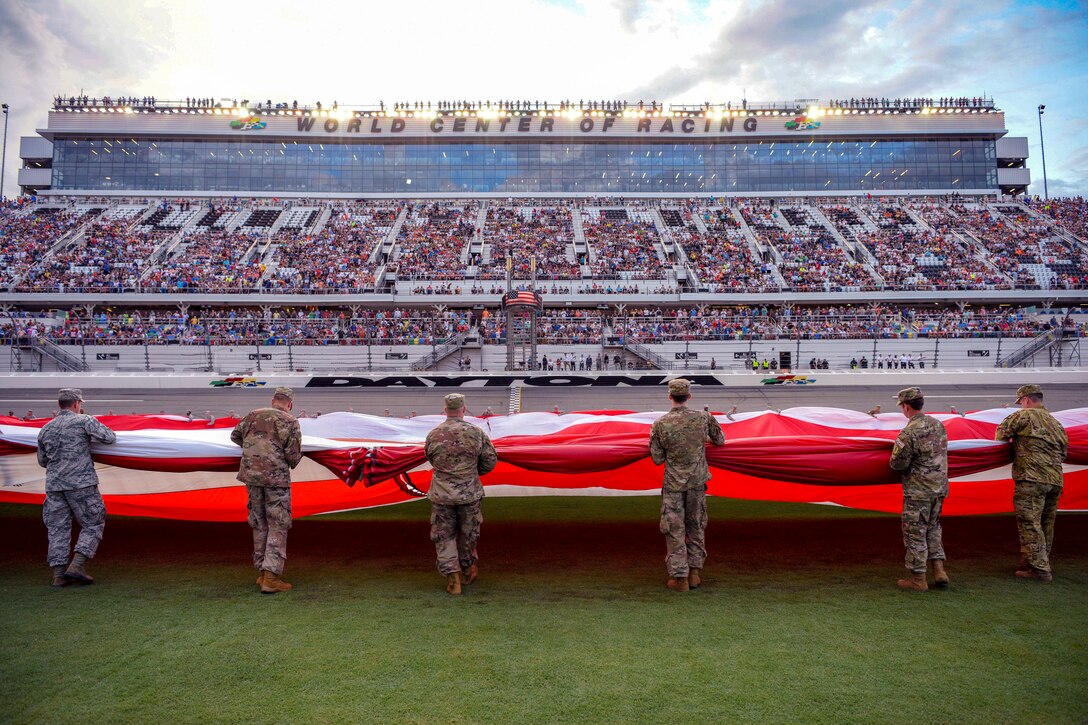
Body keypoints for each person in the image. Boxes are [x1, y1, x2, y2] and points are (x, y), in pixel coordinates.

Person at [649, 378, 726, 592]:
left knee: (674, 529)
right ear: (689, 396)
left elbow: (657, 458)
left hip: (673, 485)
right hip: (697, 483)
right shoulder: (703, 418)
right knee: (696, 525)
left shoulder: (660, 424)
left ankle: (679, 578)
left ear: (669, 396)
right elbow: (720, 440)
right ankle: (694, 574)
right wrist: (702, 441)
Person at [36, 388, 117, 587]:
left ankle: (59, 574)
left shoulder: (46, 428)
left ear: (59, 405)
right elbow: (109, 437)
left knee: (57, 529)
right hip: (81, 484)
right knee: (93, 522)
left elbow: (42, 460)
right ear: (76, 404)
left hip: (54, 486)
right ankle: (77, 565)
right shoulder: (83, 421)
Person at [424, 393, 498, 595]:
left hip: (442, 495)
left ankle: (452, 577)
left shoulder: (434, 434)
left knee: (443, 535)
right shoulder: (477, 433)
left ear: (445, 409)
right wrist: (471, 473)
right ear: (464, 409)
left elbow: (430, 458)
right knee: (469, 533)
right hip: (469, 493)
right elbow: (490, 460)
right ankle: (467, 569)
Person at [231, 387, 303, 594]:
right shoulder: (290, 421)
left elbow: (235, 436)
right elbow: (293, 457)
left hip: (251, 478)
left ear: (273, 400)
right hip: (276, 480)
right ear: (289, 404)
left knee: (259, 522)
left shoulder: (252, 415)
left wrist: (255, 450)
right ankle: (271, 577)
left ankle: (262, 572)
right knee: (278, 524)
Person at [995, 384, 1069, 582]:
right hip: (1055, 480)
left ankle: (1038, 569)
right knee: (1046, 523)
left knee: (1029, 523)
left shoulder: (1023, 416)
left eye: (1021, 403)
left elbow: (1000, 435)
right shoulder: (1056, 423)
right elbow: (1063, 452)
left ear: (1026, 400)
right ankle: (1038, 561)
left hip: (1031, 479)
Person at [888, 387, 949, 592]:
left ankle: (918, 578)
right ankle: (939, 570)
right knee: (933, 528)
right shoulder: (938, 425)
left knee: (915, 532)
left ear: (906, 406)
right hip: (939, 489)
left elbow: (898, 464)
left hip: (918, 491)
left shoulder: (909, 432)